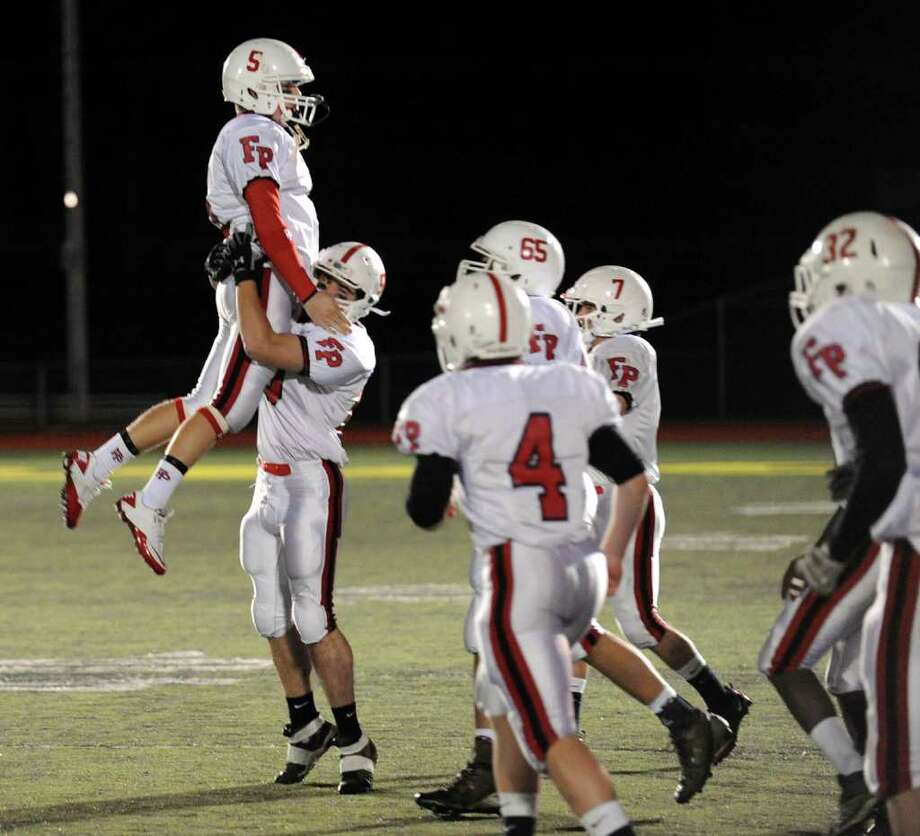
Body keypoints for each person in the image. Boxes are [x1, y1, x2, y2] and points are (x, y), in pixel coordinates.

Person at [394, 270, 725, 836]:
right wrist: (615, 553)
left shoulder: (447, 397)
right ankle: (520, 816)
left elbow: (423, 511)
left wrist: (450, 479)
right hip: (581, 563)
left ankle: (615, 823)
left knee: (547, 736)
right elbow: (632, 477)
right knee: (498, 695)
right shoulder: (568, 386)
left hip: (520, 573)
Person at [61, 38, 349, 574]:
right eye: (286, 89)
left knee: (202, 401)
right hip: (263, 278)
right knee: (229, 409)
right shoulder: (252, 131)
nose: (293, 100)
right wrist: (306, 292)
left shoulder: (253, 133)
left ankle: (93, 466)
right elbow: (267, 217)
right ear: (256, 89)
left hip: (255, 275)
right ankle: (148, 503)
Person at [561, 266, 752, 761]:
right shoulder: (592, 351)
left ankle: (719, 700)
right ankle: (567, 729)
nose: (576, 314)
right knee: (574, 613)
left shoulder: (626, 349)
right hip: (589, 496)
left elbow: (609, 402)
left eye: (584, 306)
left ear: (613, 311)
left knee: (640, 625)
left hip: (623, 498)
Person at [777, 210, 920, 836]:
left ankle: (868, 796)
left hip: (907, 535)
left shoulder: (840, 327)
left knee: (898, 748)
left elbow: (887, 459)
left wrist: (831, 550)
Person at [229, 231, 385, 792]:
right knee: (269, 615)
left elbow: (260, 348)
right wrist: (232, 274)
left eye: (335, 286)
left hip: (309, 482)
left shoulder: (351, 344)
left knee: (313, 616)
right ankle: (304, 726)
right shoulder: (295, 321)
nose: (318, 290)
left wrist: (247, 276)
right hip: (266, 482)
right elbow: (242, 327)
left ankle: (353, 738)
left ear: (359, 300)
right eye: (317, 278)